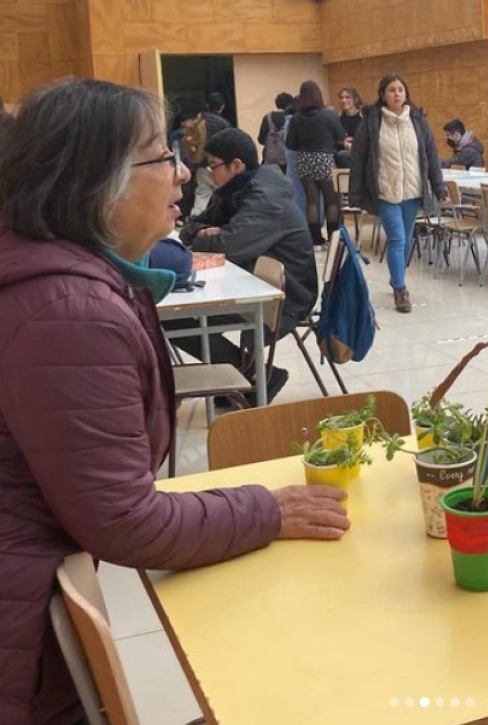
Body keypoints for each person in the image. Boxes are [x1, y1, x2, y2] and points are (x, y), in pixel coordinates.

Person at [0, 78, 349, 725]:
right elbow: (125, 520)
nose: (182, 174)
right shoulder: (66, 311)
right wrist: (264, 511)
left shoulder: (69, 276)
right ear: (95, 182)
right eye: (163, 156)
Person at [176, 127, 318, 403]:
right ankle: (242, 377)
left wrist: (208, 236)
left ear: (236, 165)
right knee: (179, 317)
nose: (209, 173)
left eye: (213, 166)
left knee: (181, 319)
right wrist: (201, 232)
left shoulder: (265, 198)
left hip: (284, 294)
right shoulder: (233, 189)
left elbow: (227, 246)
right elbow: (191, 227)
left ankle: (255, 378)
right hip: (247, 282)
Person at [349, 73, 446, 313]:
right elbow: (358, 159)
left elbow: (431, 155)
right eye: (391, 90)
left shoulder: (417, 120)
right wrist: (356, 194)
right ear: (383, 95)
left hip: (412, 191)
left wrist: (439, 187)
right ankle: (400, 289)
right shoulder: (372, 122)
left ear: (406, 94)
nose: (397, 94)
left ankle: (396, 277)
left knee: (406, 239)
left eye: (400, 90)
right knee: (397, 239)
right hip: (385, 191)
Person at [285, 80, 344, 246]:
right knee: (331, 200)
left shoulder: (296, 118)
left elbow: (290, 144)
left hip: (304, 160)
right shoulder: (328, 114)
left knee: (312, 201)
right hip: (325, 159)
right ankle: (333, 238)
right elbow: (340, 134)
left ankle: (315, 239)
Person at [190, 91, 232, 217]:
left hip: (199, 163)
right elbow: (229, 145)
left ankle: (196, 217)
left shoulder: (197, 120)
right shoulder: (224, 124)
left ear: (207, 105)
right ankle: (224, 218)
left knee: (203, 192)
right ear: (222, 106)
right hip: (217, 165)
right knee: (225, 191)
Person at [257, 91, 294, 172]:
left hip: (270, 162)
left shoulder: (268, 117)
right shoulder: (292, 119)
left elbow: (261, 140)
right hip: (287, 162)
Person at [336, 85, 364, 169]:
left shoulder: (364, 117)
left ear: (355, 99)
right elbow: (331, 141)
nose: (344, 100)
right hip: (344, 157)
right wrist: (343, 144)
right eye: (341, 98)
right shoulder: (337, 119)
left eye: (347, 97)